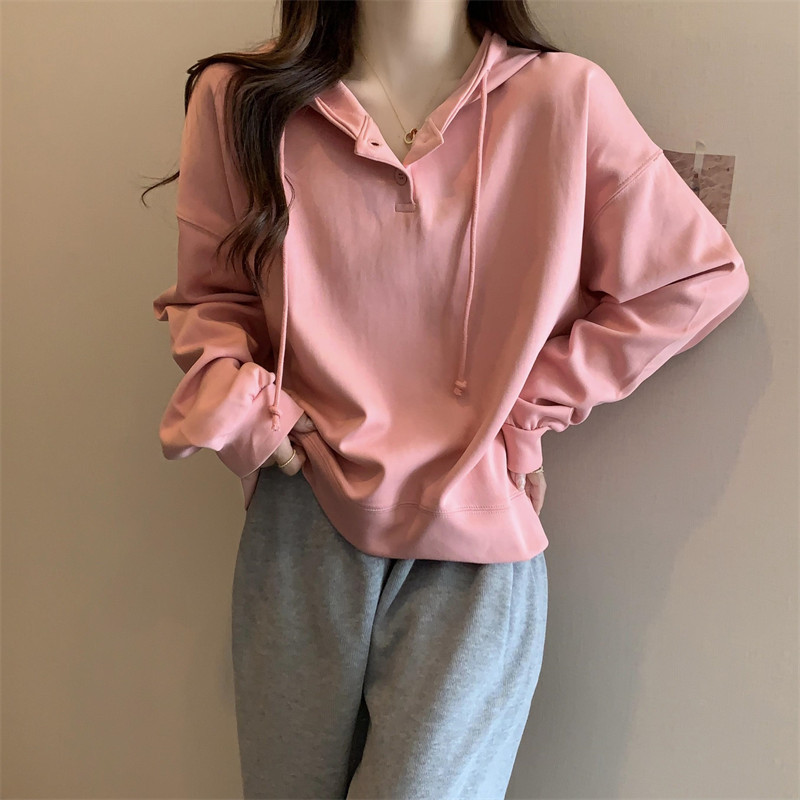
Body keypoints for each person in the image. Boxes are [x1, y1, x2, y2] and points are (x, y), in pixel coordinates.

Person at [143, 1, 750, 797]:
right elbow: (211, 298)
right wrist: (253, 414)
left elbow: (695, 279)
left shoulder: (564, 98)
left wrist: (526, 411)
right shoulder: (243, 98)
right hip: (300, 524)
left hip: (476, 543)